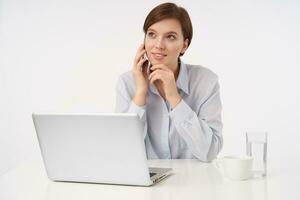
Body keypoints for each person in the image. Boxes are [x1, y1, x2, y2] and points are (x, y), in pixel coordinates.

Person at [115, 2, 223, 162]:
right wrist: (140, 93)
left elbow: (209, 152)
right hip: (146, 184)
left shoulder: (205, 81)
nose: (158, 45)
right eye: (152, 34)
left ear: (184, 45)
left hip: (194, 183)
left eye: (170, 37)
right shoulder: (127, 82)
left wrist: (175, 98)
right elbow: (122, 152)